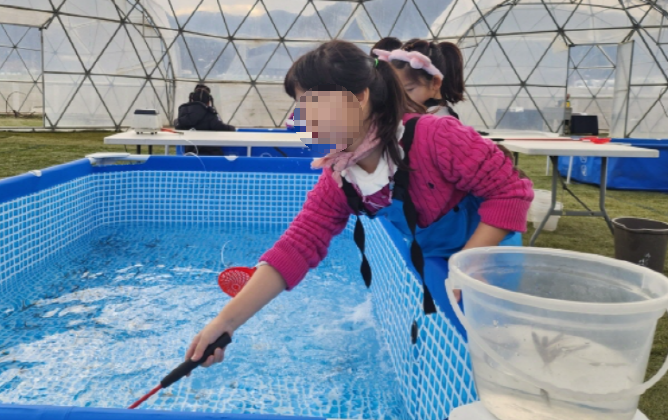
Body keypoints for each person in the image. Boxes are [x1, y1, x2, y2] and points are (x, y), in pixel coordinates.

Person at [185, 40, 533, 368]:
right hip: (435, 257)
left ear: (361, 97)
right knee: (453, 345)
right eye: (300, 106)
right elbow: (297, 246)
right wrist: (225, 323)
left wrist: (465, 267)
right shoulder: (341, 175)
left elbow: (510, 193)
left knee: (491, 344)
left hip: (491, 246)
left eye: (314, 105)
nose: (303, 118)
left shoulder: (436, 136)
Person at [372, 38, 463, 120]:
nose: (402, 98)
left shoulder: (440, 121)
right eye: (399, 91)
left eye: (409, 89)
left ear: (435, 82)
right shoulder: (420, 112)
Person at [174, 84, 235, 155]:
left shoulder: (184, 111)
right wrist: (233, 129)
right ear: (208, 101)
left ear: (192, 98)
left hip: (189, 153)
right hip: (210, 153)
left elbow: (177, 125)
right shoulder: (209, 113)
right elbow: (220, 127)